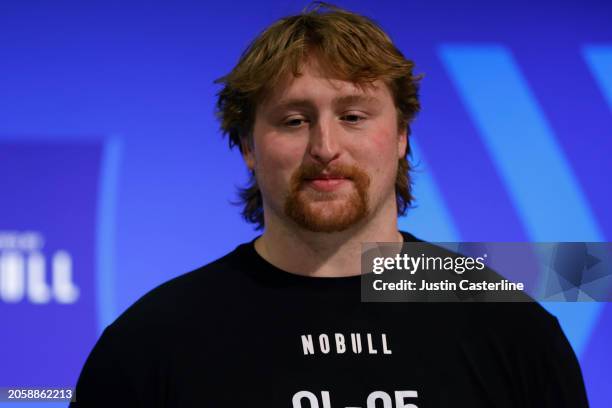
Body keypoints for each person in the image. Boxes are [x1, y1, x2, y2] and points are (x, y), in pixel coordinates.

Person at [71, 4, 589, 407]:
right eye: (294, 120)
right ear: (249, 147)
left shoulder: (509, 329)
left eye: (354, 115)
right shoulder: (151, 343)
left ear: (402, 135)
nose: (325, 147)